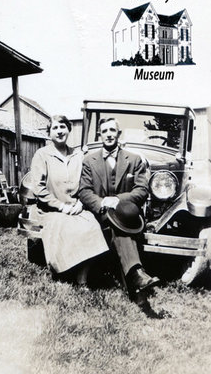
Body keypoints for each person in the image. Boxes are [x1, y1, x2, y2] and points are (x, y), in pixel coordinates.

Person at [79, 117, 160, 306]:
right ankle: (137, 279)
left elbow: (142, 190)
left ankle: (136, 281)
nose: (108, 134)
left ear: (119, 134)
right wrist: (101, 203)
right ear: (100, 135)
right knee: (120, 229)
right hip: (100, 214)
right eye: (104, 131)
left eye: (112, 131)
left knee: (121, 227)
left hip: (125, 214)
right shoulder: (89, 161)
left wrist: (118, 200)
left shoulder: (134, 159)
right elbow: (84, 191)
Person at [30, 114, 109, 284]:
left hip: (76, 206)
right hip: (50, 209)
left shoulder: (78, 155)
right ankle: (62, 273)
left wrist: (81, 203)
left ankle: (82, 276)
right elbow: (39, 188)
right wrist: (60, 206)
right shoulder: (42, 155)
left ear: (68, 130)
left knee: (92, 227)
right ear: (49, 133)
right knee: (64, 228)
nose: (59, 131)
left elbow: (87, 184)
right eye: (55, 128)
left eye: (62, 127)